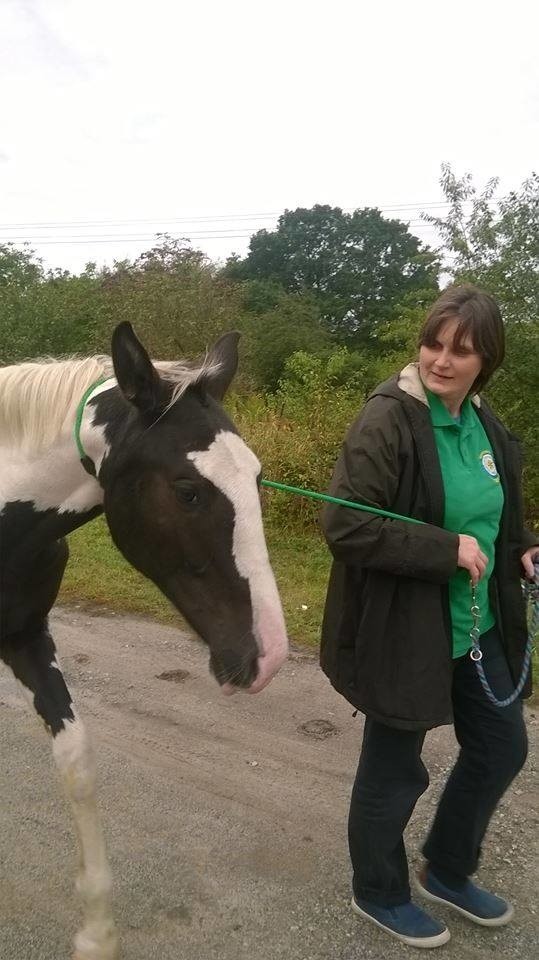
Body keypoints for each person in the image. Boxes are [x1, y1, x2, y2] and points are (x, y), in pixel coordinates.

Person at [320, 285, 538, 948]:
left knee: (502, 747)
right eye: (432, 344)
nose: (440, 360)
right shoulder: (387, 418)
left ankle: (445, 869)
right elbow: (346, 525)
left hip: (477, 625)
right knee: (394, 770)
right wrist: (444, 550)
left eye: (459, 350)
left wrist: (522, 546)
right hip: (403, 627)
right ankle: (378, 891)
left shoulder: (480, 419)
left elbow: (496, 506)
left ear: (484, 359)